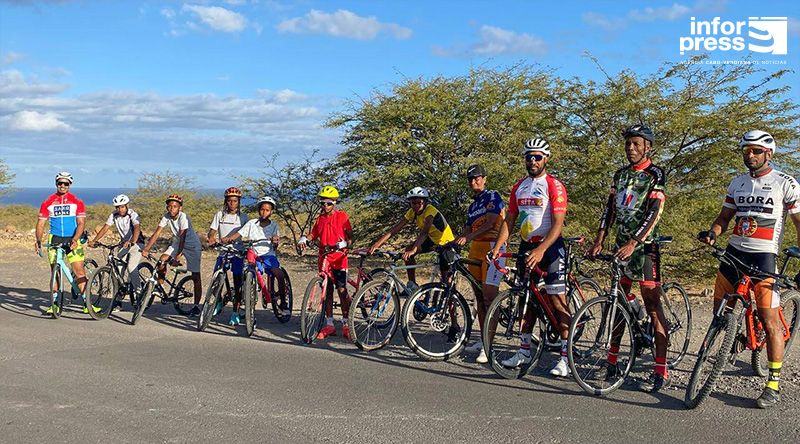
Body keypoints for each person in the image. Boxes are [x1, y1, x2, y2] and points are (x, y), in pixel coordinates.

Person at [698, 130, 800, 408]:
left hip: (763, 257)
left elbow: (799, 224)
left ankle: (773, 385)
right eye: (746, 151)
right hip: (733, 253)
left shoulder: (785, 183)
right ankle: (731, 337)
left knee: (770, 322)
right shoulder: (737, 183)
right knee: (721, 311)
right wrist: (713, 233)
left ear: (769, 153)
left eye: (755, 151)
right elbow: (724, 217)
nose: (750, 156)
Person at [588, 124, 670, 392]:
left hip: (645, 249)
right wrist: (600, 239)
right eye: (628, 144)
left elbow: (654, 211)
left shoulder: (655, 174)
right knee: (618, 304)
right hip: (621, 246)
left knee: (653, 306)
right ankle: (612, 360)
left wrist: (635, 242)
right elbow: (609, 210)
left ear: (648, 146)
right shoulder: (620, 175)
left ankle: (660, 369)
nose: (631, 148)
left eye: (636, 144)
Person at [489, 138, 572, 377]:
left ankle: (566, 358)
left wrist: (542, 250)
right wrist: (498, 246)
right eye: (528, 157)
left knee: (557, 301)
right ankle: (524, 349)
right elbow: (510, 219)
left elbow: (558, 225)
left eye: (537, 157)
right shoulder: (519, 186)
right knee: (528, 300)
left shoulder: (553, 185)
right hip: (528, 247)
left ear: (546, 158)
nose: (532, 161)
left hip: (551, 247)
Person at [454, 164, 505, 364]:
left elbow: (492, 223)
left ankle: (489, 346)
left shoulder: (492, 196)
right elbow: (466, 230)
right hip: (476, 248)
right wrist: (454, 242)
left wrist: (468, 238)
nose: (473, 182)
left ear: (484, 178)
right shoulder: (473, 205)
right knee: (478, 297)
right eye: (470, 179)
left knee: (489, 297)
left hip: (493, 247)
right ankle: (484, 338)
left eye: (477, 178)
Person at [368, 187, 455, 291]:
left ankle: (451, 303)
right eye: (413, 203)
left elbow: (424, 233)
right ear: (410, 203)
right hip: (433, 240)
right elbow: (395, 229)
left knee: (446, 283)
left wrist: (414, 249)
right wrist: (377, 244)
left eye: (420, 202)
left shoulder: (430, 211)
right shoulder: (412, 212)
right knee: (408, 250)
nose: (417, 205)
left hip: (446, 243)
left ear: (425, 202)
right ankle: (412, 285)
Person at [34, 171, 95, 315]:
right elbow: (41, 224)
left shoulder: (77, 202)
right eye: (60, 183)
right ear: (56, 184)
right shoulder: (47, 202)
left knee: (79, 271)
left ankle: (87, 303)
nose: (62, 185)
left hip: (72, 238)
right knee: (55, 272)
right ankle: (54, 304)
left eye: (65, 183)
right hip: (54, 239)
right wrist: (38, 240)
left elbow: (81, 223)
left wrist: (75, 239)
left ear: (70, 185)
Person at [298, 186, 354, 340]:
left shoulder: (342, 216)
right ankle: (329, 324)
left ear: (334, 203)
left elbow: (350, 238)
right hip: (324, 258)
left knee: (342, 290)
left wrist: (344, 244)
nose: (325, 206)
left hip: (339, 258)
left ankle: (345, 324)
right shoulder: (320, 219)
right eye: (322, 203)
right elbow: (313, 234)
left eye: (328, 203)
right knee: (327, 291)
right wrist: (305, 238)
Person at [222, 196, 289, 323]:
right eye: (262, 209)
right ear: (259, 210)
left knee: (279, 274)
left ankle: (283, 302)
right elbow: (239, 234)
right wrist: (229, 238)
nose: (264, 212)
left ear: (271, 212)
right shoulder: (252, 223)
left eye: (267, 210)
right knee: (249, 271)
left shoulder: (274, 225)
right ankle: (249, 294)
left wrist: (275, 241)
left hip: (268, 255)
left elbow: (276, 241)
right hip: (253, 252)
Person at [141, 194, 203, 316]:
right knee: (162, 260)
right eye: (169, 206)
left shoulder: (183, 217)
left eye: (174, 206)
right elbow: (157, 233)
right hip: (177, 242)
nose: (171, 209)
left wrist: (177, 257)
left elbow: (183, 236)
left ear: (180, 208)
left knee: (196, 276)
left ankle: (196, 305)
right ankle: (162, 288)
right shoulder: (166, 217)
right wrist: (146, 248)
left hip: (192, 246)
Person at [89, 194, 145, 310]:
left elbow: (137, 228)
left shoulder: (132, 214)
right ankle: (118, 301)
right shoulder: (114, 215)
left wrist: (131, 241)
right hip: (124, 244)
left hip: (136, 243)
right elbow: (105, 228)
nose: (120, 209)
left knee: (131, 267)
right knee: (117, 271)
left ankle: (139, 295)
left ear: (127, 206)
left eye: (122, 207)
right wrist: (94, 240)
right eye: (118, 207)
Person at [207, 187, 249, 325]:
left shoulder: (243, 217)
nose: (232, 203)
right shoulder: (220, 215)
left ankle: (235, 312)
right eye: (229, 201)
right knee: (216, 279)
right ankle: (218, 302)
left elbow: (245, 234)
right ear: (226, 201)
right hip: (223, 251)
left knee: (237, 284)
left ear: (239, 202)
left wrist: (233, 239)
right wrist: (211, 238)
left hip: (237, 253)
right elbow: (212, 231)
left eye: (235, 201)